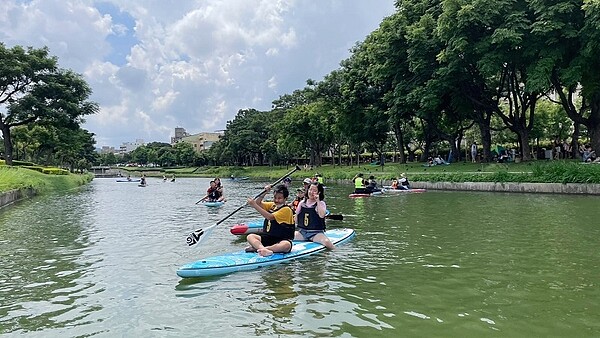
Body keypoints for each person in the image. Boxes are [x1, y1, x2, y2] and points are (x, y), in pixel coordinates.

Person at [246, 184, 295, 257]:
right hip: (268, 238)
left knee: (286, 245)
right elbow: (258, 203)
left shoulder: (286, 210)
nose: (276, 200)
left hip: (281, 240)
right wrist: (265, 192)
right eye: (275, 197)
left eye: (279, 198)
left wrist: (254, 206)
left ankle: (262, 249)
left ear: (285, 199)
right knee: (250, 236)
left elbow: (270, 217)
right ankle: (262, 249)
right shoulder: (272, 205)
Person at [294, 182, 334, 249]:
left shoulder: (321, 203)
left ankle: (335, 251)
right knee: (285, 236)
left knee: (327, 242)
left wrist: (317, 201)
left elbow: (321, 215)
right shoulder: (302, 203)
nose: (311, 192)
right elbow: (296, 219)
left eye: (314, 191)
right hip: (302, 232)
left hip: (316, 233)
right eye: (310, 189)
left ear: (319, 193)